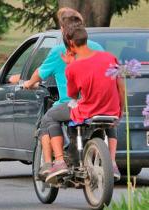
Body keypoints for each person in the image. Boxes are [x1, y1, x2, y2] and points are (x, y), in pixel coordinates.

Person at [9, 8, 104, 178]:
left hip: (73, 105)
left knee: (49, 118)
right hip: (99, 103)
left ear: (63, 30)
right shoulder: (98, 47)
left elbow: (39, 73)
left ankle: (57, 161)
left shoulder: (59, 51)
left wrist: (29, 83)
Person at [44, 25, 125, 183]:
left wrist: (70, 65)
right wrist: (120, 110)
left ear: (71, 44)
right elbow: (121, 88)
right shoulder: (110, 58)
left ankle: (59, 161)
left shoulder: (73, 67)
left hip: (87, 111)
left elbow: (72, 95)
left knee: (50, 116)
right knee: (110, 121)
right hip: (111, 110)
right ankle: (112, 162)